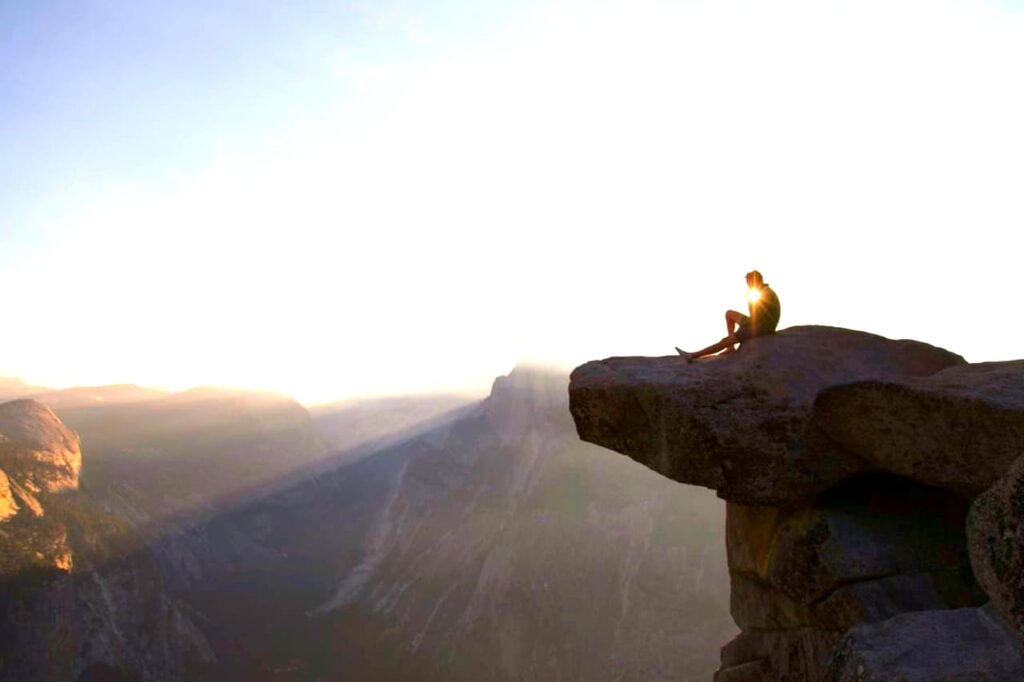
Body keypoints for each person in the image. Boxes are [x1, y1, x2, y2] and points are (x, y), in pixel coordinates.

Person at [676, 270, 781, 361]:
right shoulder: (760, 291)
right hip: (757, 322)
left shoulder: (765, 294)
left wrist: (743, 326)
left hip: (762, 327)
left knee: (726, 340)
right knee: (729, 314)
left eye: (749, 281)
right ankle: (731, 347)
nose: (748, 284)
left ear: (757, 280)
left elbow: (758, 318)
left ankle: (693, 355)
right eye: (747, 282)